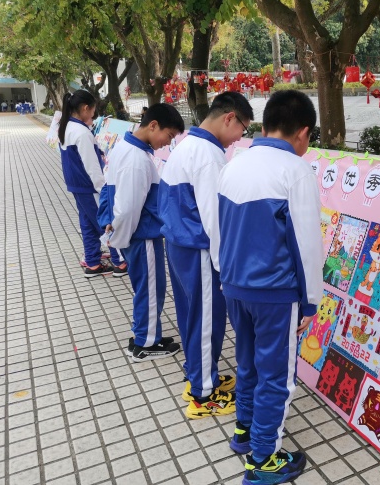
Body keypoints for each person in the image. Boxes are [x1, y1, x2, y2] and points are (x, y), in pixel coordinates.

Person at [217, 90, 324, 484]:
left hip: (234, 286)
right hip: (275, 294)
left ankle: (244, 431)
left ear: (266, 125)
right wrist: (310, 302)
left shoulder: (234, 164)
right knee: (277, 376)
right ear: (304, 132)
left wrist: (227, 277)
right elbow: (307, 246)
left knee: (247, 363)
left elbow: (219, 230)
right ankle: (263, 459)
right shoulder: (295, 171)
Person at [158, 92, 253, 419]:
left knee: (191, 314)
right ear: (229, 118)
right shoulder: (209, 155)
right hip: (198, 248)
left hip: (179, 244)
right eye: (242, 128)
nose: (240, 137)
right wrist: (225, 267)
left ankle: (198, 372)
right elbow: (215, 219)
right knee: (207, 319)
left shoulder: (187, 145)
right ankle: (202, 394)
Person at [99, 104, 184, 362]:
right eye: (168, 136)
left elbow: (109, 191)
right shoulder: (137, 160)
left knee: (145, 288)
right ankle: (145, 343)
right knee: (150, 289)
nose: (167, 143)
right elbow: (128, 209)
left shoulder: (125, 148)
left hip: (135, 236)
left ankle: (145, 333)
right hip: (142, 236)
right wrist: (121, 240)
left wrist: (115, 234)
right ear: (153, 125)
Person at [57, 90, 124, 277]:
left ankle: (93, 262)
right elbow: (91, 166)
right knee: (105, 222)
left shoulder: (67, 127)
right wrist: (103, 190)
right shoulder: (81, 132)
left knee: (87, 223)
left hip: (77, 186)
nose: (94, 115)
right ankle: (119, 261)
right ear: (86, 108)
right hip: (89, 186)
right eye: (93, 111)